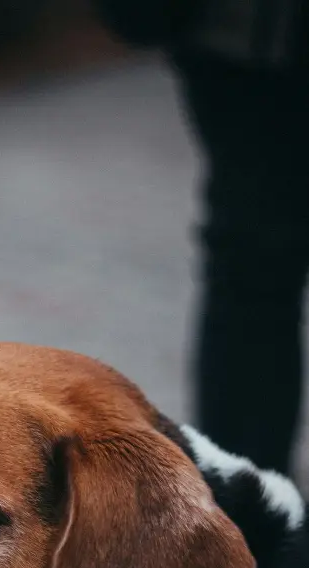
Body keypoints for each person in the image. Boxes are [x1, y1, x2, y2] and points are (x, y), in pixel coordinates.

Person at [93, 1, 309, 475]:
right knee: (250, 266)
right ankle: (247, 509)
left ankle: (246, 504)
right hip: (248, 43)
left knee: (250, 270)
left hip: (244, 41)